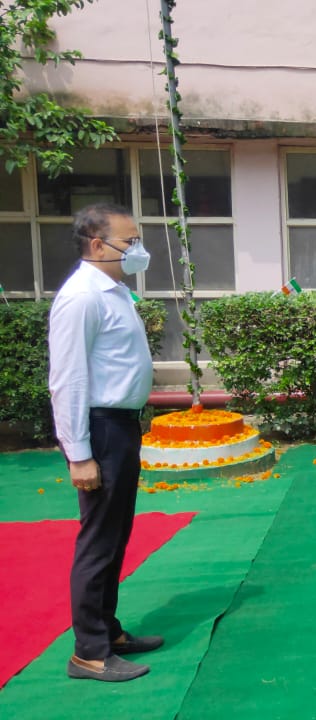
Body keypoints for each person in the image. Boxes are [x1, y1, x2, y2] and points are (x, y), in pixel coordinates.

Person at [49, 203, 162, 682]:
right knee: (98, 541)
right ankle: (89, 651)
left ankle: (108, 629)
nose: (138, 250)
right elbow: (68, 378)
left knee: (116, 536)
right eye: (129, 241)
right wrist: (79, 454)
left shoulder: (113, 290)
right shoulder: (82, 297)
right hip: (100, 428)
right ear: (98, 245)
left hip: (121, 425)